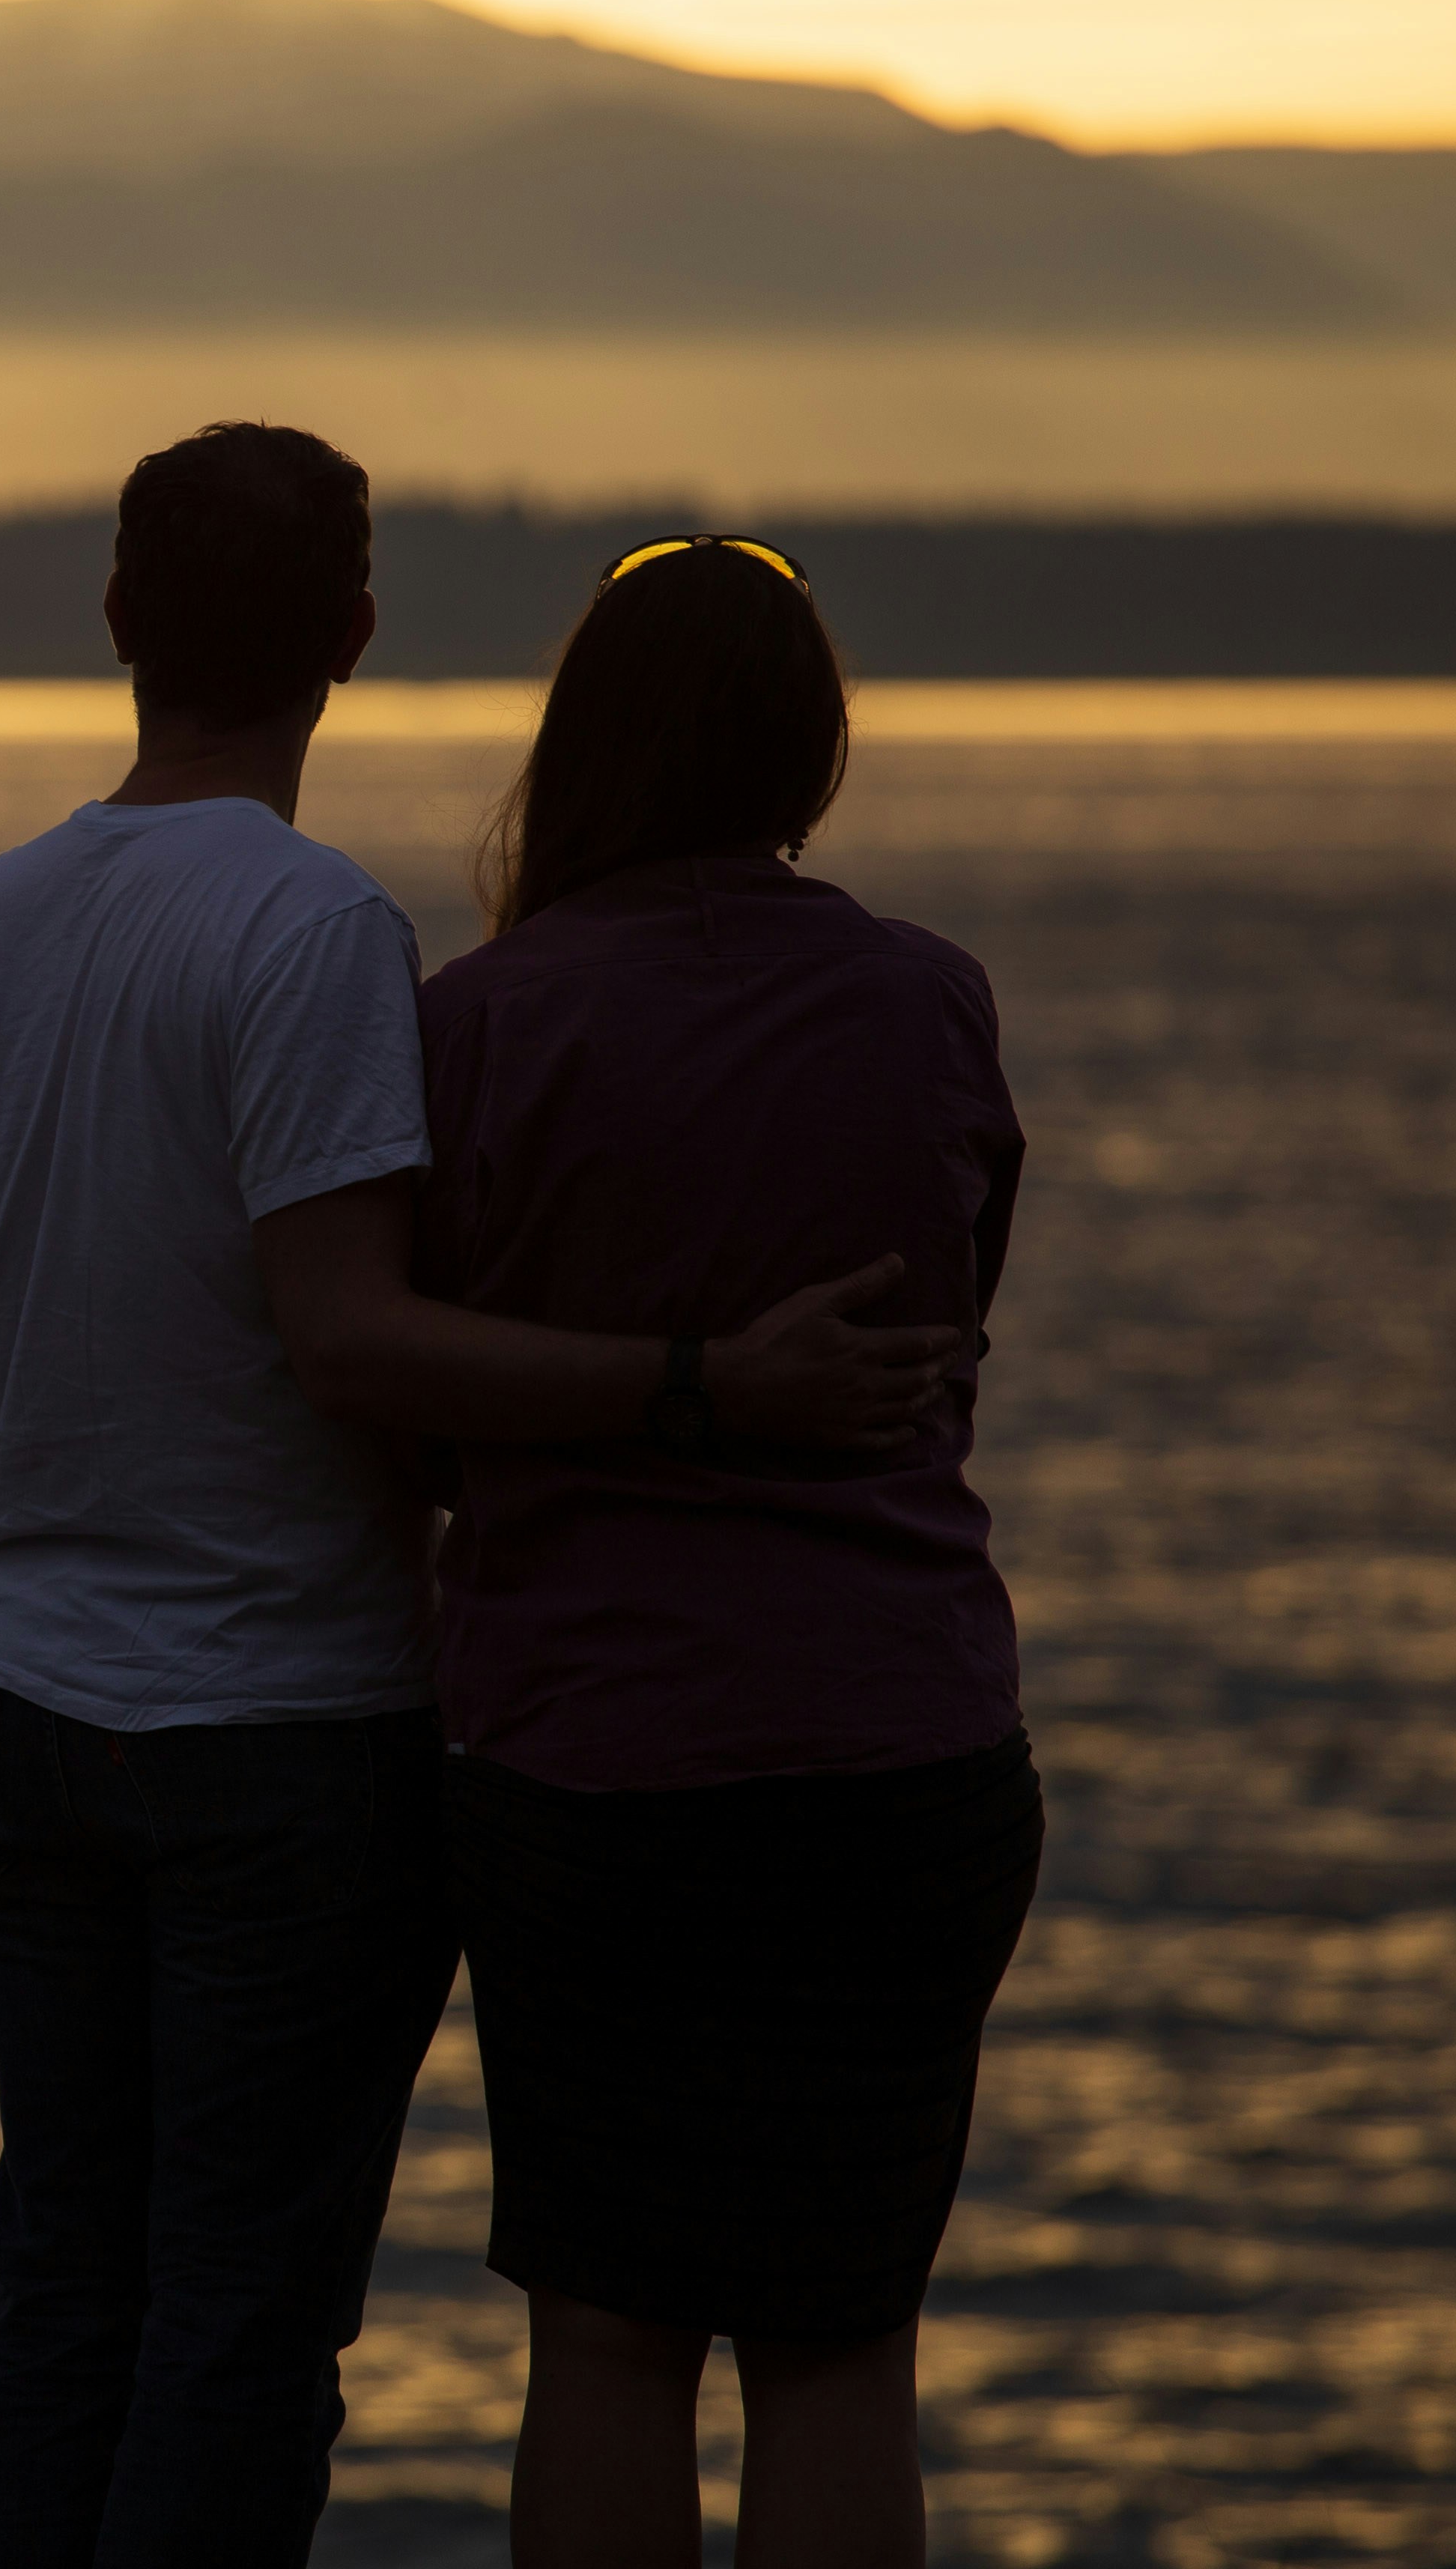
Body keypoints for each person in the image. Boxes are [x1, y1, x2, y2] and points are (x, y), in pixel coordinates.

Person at [0, 432, 968, 2569]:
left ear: (118, 623)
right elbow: (351, 1341)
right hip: (290, 1743)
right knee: (240, 2322)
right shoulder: (322, 927)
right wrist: (701, 1387)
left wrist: (38, 1571)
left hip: (32, 1726)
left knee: (64, 2297)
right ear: (351, 639)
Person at [405, 533, 1040, 2569]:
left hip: (599, 1761)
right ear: (811, 750)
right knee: (845, 2345)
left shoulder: (476, 1025)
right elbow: (953, 1342)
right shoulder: (932, 1002)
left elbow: (412, 1403)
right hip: (903, 1749)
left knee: (606, 2336)